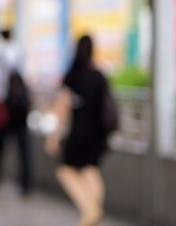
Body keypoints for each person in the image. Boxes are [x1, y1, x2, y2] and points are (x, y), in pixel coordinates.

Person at [45, 34, 108, 226]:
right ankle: (93, 211)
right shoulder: (99, 77)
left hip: (78, 133)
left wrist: (54, 136)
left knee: (66, 170)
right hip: (97, 135)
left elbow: (61, 108)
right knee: (91, 170)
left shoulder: (73, 76)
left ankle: (90, 211)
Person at [0, 29, 32, 195]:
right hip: (20, 108)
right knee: (24, 149)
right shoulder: (19, 52)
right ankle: (26, 184)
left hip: (7, 106)